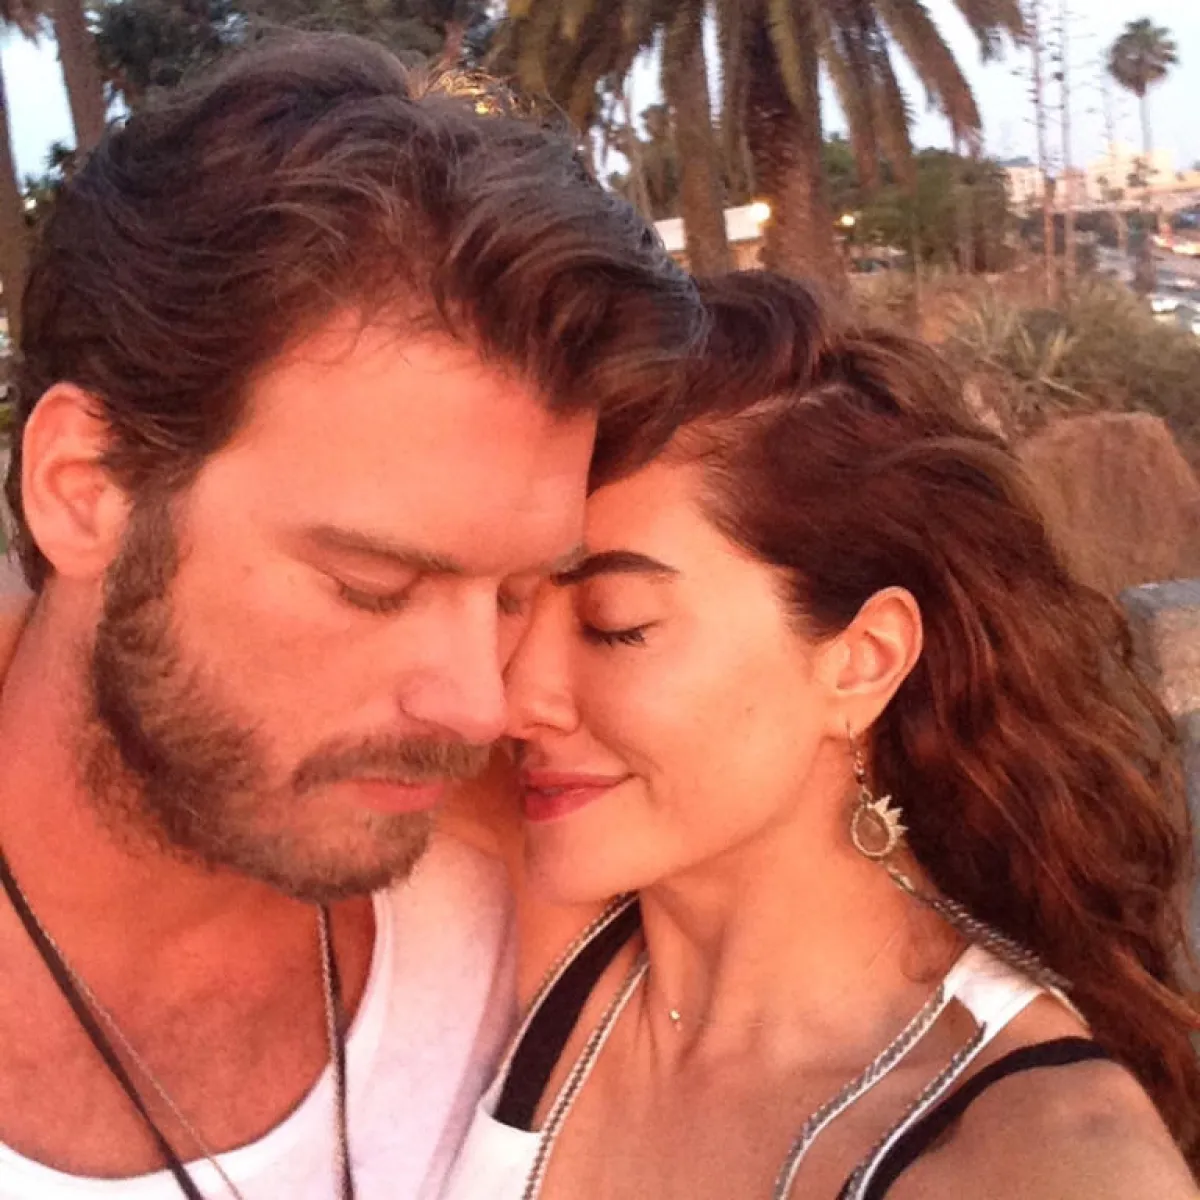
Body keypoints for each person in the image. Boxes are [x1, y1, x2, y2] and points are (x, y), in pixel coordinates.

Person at [0, 33, 703, 1200]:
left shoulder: (536, 904)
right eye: (371, 585)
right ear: (86, 492)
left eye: (518, 594)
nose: (478, 704)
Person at [443, 272, 1200, 1199]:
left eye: (615, 625)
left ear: (863, 660)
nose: (508, 702)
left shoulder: (1040, 1161)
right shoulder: (557, 936)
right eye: (515, 604)